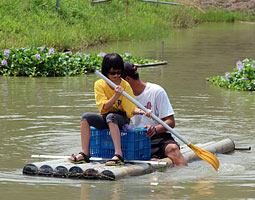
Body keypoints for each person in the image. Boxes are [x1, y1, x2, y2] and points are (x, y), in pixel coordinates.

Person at [69, 53, 147, 166]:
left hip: (121, 119)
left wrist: (143, 112)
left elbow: (130, 109)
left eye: (119, 73)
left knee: (112, 117)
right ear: (106, 72)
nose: (116, 76)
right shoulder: (99, 84)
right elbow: (104, 107)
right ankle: (85, 154)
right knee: (86, 117)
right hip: (106, 116)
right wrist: (115, 96)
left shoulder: (125, 85)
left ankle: (118, 155)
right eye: (112, 73)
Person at [123, 62, 187, 167]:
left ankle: (184, 177)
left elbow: (170, 122)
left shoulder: (156, 91)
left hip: (159, 136)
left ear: (127, 80)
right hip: (137, 138)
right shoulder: (122, 96)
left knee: (173, 149)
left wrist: (154, 129)